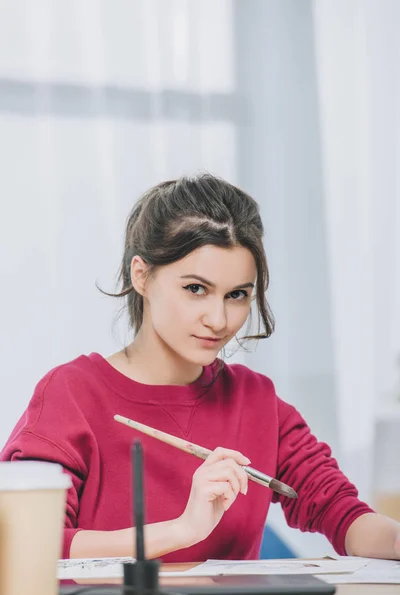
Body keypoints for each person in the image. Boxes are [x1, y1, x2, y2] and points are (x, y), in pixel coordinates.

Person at [1, 174, 399, 562]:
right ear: (142, 275)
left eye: (238, 295)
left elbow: (343, 513)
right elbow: (28, 540)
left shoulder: (256, 400)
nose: (219, 318)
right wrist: (182, 530)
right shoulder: (71, 393)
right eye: (196, 289)